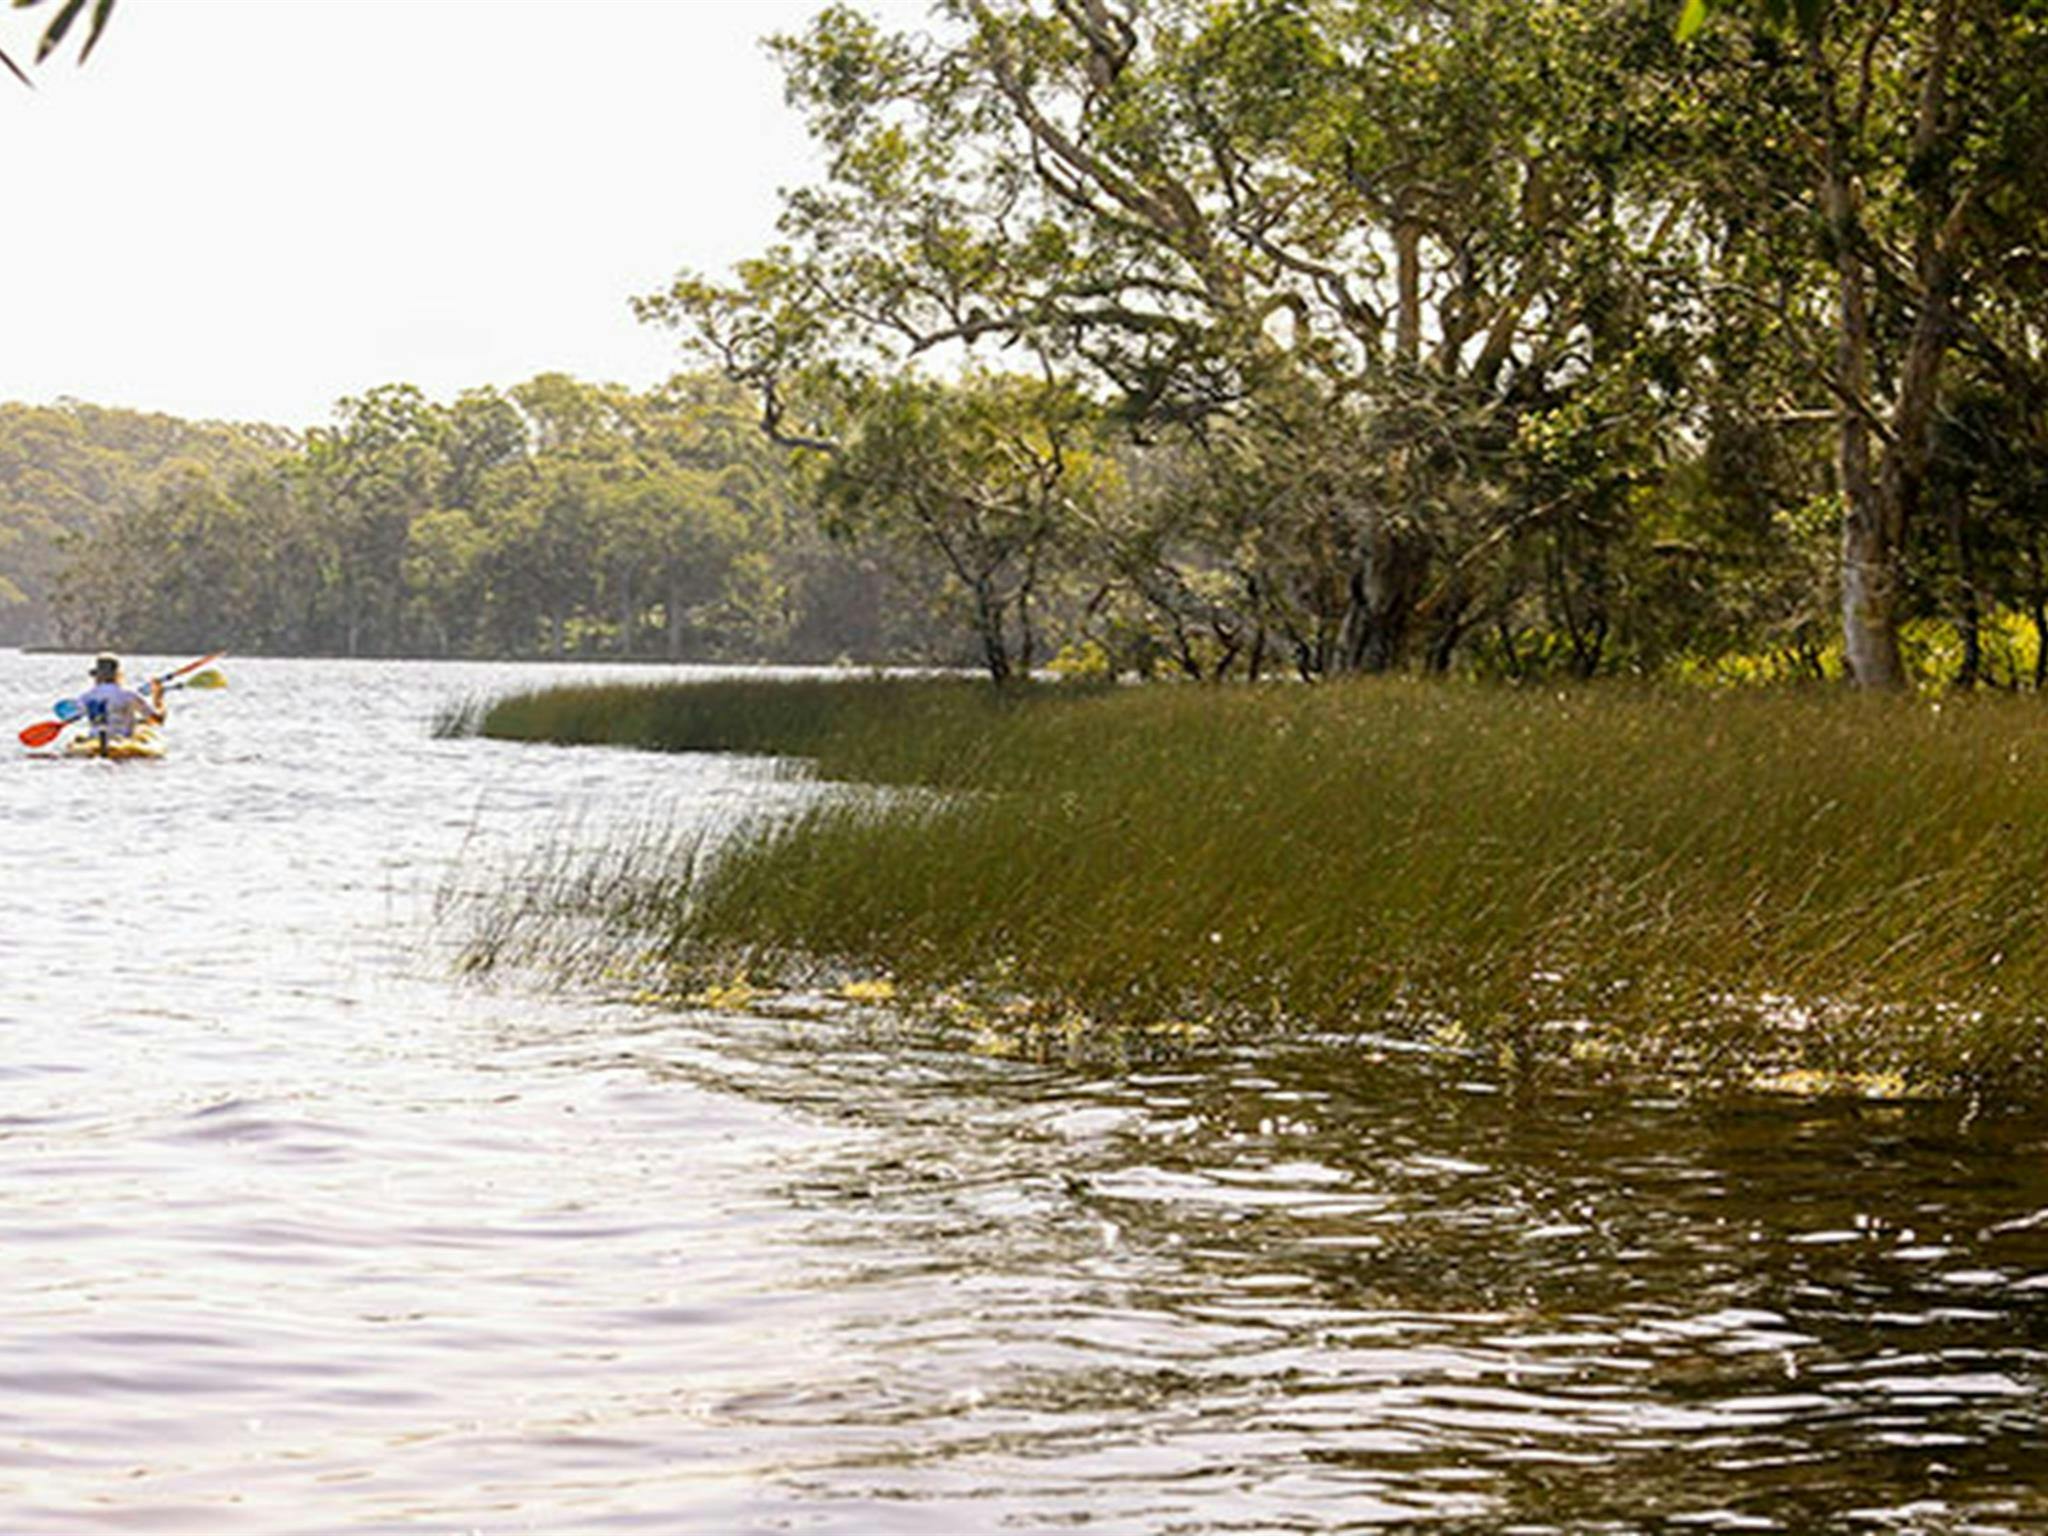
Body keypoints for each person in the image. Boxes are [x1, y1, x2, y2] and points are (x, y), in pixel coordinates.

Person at [76, 654, 165, 741]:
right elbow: (158, 719)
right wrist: (158, 698)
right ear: (118, 674)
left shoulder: (85, 697)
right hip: (123, 740)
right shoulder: (129, 695)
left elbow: (71, 715)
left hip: (95, 739)